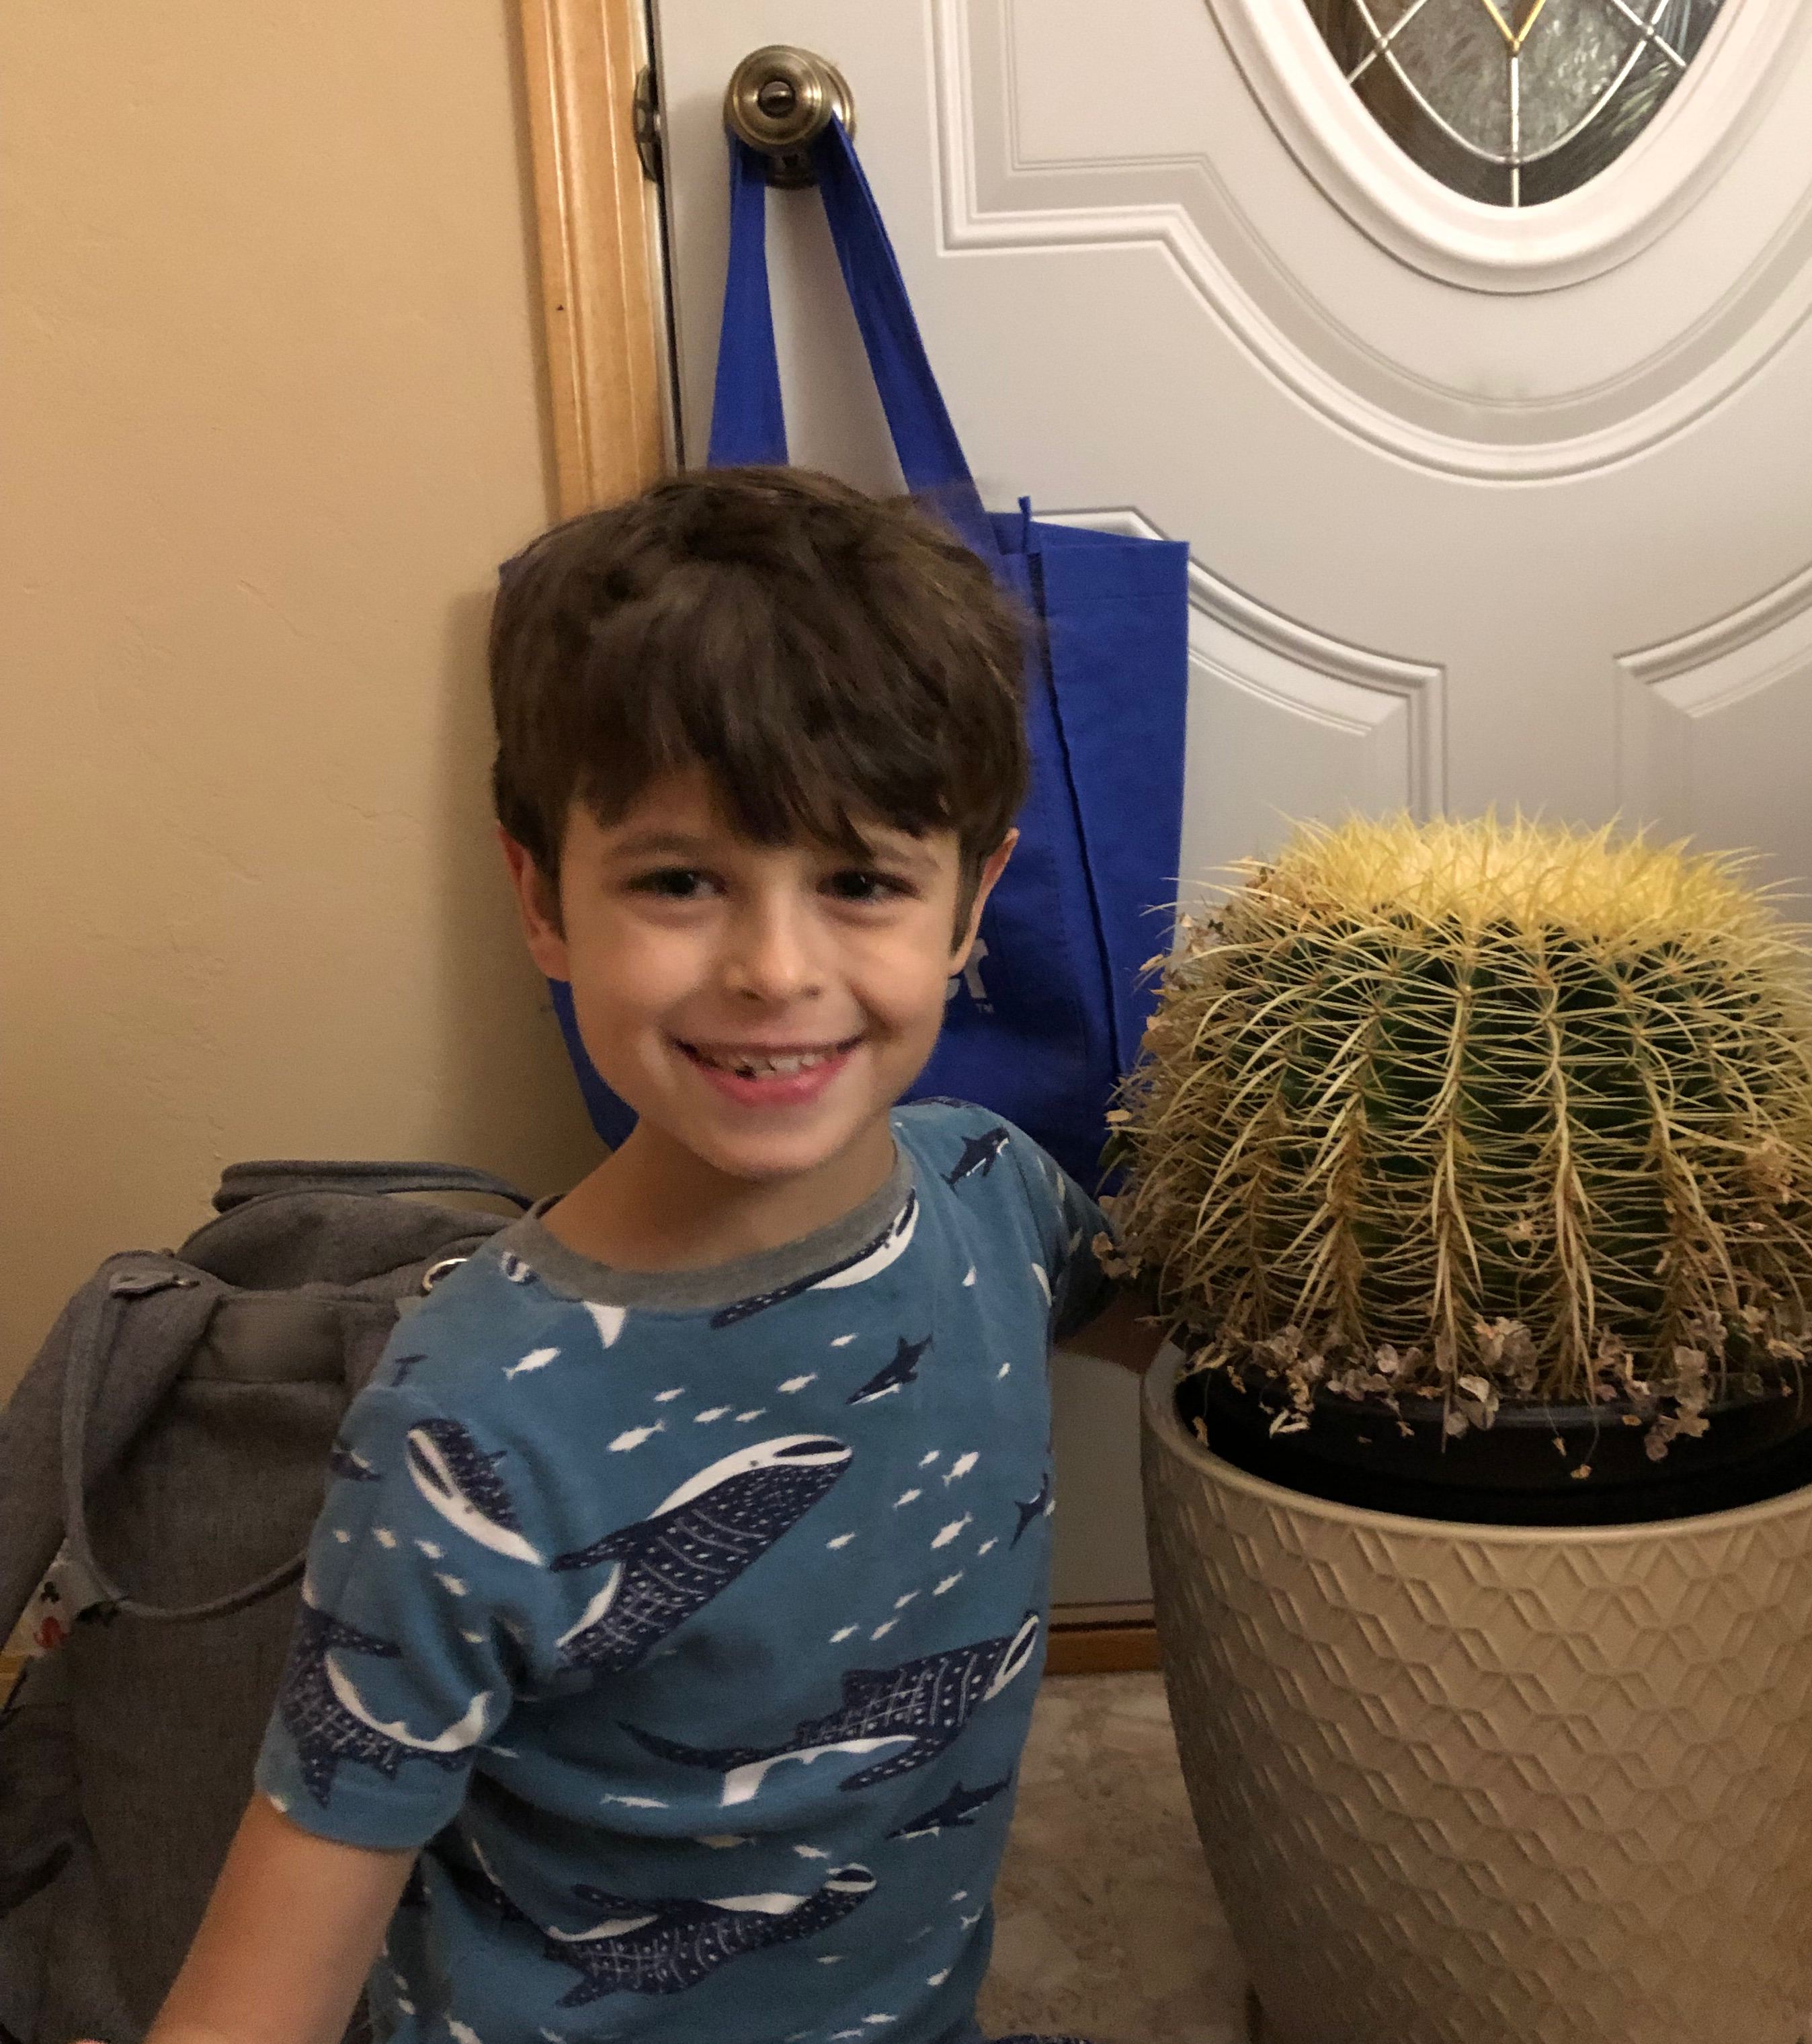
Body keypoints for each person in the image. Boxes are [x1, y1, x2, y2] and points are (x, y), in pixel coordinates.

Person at [142, 467, 1160, 2044]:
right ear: (542, 899)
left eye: (862, 882)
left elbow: (1243, 1346)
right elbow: (262, 1989)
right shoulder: (466, 1428)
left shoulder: (998, 1199)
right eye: (681, 880)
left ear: (973, 907)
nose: (772, 968)